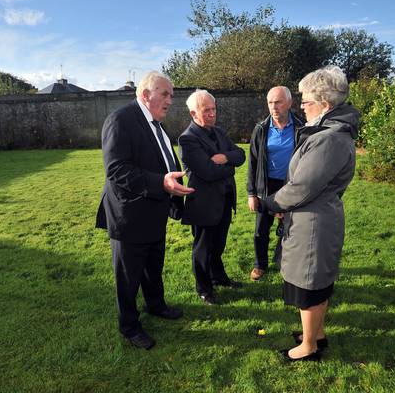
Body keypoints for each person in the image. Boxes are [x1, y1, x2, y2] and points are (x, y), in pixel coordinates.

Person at [259, 66, 359, 361]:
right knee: (314, 282)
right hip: (312, 216)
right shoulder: (329, 131)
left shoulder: (329, 137)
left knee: (310, 285)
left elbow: (302, 186)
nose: (301, 106)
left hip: (313, 222)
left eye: (305, 100)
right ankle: (316, 333)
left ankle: (309, 347)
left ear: (325, 105)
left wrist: (271, 203)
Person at [95, 71, 194, 350]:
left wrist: (171, 188)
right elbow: (116, 169)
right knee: (128, 275)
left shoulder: (156, 124)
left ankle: (156, 305)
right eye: (165, 94)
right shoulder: (120, 120)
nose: (170, 100)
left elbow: (163, 161)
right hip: (129, 215)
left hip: (154, 211)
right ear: (145, 94)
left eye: (171, 95)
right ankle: (129, 325)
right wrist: (160, 182)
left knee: (153, 266)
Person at [178, 89, 246, 305]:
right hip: (204, 204)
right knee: (203, 248)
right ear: (193, 113)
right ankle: (204, 289)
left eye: (213, 109)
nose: (211, 114)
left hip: (224, 199)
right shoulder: (188, 139)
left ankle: (218, 276)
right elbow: (207, 172)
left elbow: (241, 155)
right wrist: (230, 166)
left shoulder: (219, 132)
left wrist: (224, 157)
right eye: (205, 110)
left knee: (219, 244)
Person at [247, 86, 306, 281]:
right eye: (271, 102)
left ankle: (284, 261)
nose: (274, 106)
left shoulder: (301, 127)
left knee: (290, 226)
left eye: (279, 102)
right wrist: (251, 193)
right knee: (261, 229)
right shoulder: (261, 129)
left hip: (291, 184)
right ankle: (259, 265)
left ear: (289, 103)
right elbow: (253, 163)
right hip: (267, 185)